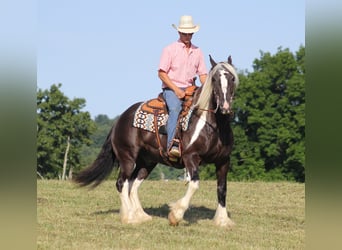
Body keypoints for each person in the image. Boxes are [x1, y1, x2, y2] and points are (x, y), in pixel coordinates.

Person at [158, 15, 208, 159]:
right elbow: (161, 73)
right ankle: (171, 145)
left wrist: (208, 89)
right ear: (179, 32)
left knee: (204, 109)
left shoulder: (197, 51)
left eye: (190, 33)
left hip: (191, 89)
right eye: (185, 33)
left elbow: (203, 74)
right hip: (171, 89)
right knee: (175, 109)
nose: (188, 36)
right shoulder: (169, 49)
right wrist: (176, 90)